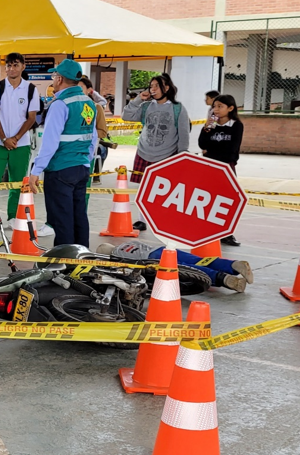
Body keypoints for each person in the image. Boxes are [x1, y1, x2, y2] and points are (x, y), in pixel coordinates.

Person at [26, 60, 97, 247]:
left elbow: (49, 143)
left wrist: (36, 171)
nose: (53, 80)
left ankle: (65, 263)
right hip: (81, 167)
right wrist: (86, 161)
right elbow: (93, 138)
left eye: (53, 76)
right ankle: (82, 259)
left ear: (60, 79)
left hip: (60, 170)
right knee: (79, 216)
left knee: (62, 220)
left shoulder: (60, 104)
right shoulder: (89, 103)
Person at [121, 72, 191, 229]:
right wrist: (139, 99)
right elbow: (126, 115)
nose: (152, 89)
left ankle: (164, 219)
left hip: (166, 155)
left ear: (166, 88)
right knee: (143, 189)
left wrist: (182, 156)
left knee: (165, 191)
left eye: (156, 86)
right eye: (151, 86)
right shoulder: (146, 106)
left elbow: (183, 134)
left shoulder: (178, 108)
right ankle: (142, 220)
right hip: (144, 153)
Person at [0, 52, 41, 232]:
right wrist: (4, 138)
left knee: (18, 181)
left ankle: (13, 215)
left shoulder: (31, 89)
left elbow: (31, 118)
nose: (11, 69)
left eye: (15, 65)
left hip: (20, 144)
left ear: (23, 66)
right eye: (8, 65)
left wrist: (15, 138)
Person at [98, 242, 253, 293]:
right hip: (161, 249)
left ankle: (225, 279)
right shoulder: (127, 244)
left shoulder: (116, 257)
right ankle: (233, 265)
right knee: (199, 261)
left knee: (189, 270)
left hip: (153, 260)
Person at [200, 93, 244, 247]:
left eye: (220, 106)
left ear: (230, 108)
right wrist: (206, 128)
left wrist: (210, 151)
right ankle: (206, 230)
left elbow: (232, 149)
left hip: (226, 166)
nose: (216, 110)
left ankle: (226, 233)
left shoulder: (236, 126)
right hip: (208, 166)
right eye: (214, 106)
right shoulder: (211, 125)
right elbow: (202, 144)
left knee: (226, 200)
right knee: (207, 198)